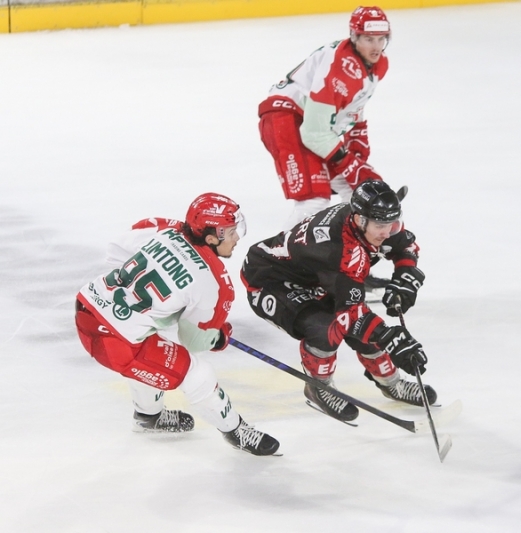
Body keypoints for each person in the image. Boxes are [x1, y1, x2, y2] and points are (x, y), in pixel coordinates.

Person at [74, 193, 279, 455]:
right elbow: (193, 342)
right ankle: (236, 430)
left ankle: (148, 417)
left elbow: (117, 248)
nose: (237, 237)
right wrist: (217, 336)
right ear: (210, 237)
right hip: (115, 344)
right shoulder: (215, 284)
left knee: (150, 348)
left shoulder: (164, 227)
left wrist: (136, 303)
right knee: (197, 374)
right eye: (230, 231)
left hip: (87, 305)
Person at [240, 180, 435, 422]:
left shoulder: (369, 222)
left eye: (391, 224)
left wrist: (404, 278)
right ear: (360, 220)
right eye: (381, 226)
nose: (387, 232)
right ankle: (318, 387)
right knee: (328, 329)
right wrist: (389, 337)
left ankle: (391, 383)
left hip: (317, 277)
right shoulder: (337, 249)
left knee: (369, 328)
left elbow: (405, 245)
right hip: (270, 280)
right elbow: (350, 316)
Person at [257, 6, 391, 231]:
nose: (376, 47)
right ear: (354, 36)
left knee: (355, 190)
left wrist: (357, 148)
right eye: (369, 39)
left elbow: (353, 105)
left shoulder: (377, 64)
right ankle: (280, 261)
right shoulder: (340, 69)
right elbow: (313, 134)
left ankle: (350, 248)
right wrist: (348, 162)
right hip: (286, 118)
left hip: (310, 122)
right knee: (313, 200)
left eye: (381, 39)